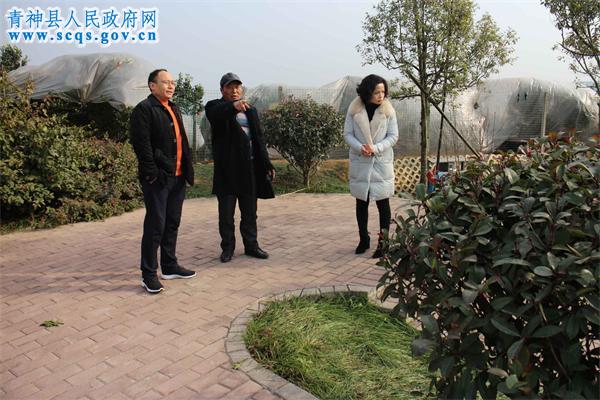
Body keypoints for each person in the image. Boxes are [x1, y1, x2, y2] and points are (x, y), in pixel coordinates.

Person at [130, 69, 197, 293]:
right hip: (158, 179)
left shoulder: (173, 107)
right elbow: (142, 146)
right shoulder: (144, 109)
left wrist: (187, 169)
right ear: (152, 86)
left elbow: (181, 141)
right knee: (155, 226)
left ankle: (169, 266)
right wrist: (152, 174)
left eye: (172, 83)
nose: (171, 86)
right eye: (165, 82)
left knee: (172, 222)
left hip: (177, 177)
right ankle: (148, 274)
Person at [205, 73, 275, 263]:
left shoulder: (251, 110)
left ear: (241, 89)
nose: (234, 90)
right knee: (226, 216)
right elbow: (217, 114)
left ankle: (251, 246)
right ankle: (227, 248)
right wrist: (233, 106)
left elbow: (258, 138)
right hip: (227, 171)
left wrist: (266, 163)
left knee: (250, 213)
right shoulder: (214, 107)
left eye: (237, 87)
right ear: (222, 90)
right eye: (230, 87)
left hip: (249, 170)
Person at [343, 74, 398, 258]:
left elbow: (393, 136)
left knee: (383, 203)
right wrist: (360, 148)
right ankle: (363, 239)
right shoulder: (354, 109)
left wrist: (376, 148)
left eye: (383, 91)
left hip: (380, 162)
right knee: (361, 202)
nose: (381, 95)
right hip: (361, 161)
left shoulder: (388, 110)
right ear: (367, 93)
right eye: (376, 92)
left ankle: (384, 243)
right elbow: (347, 134)